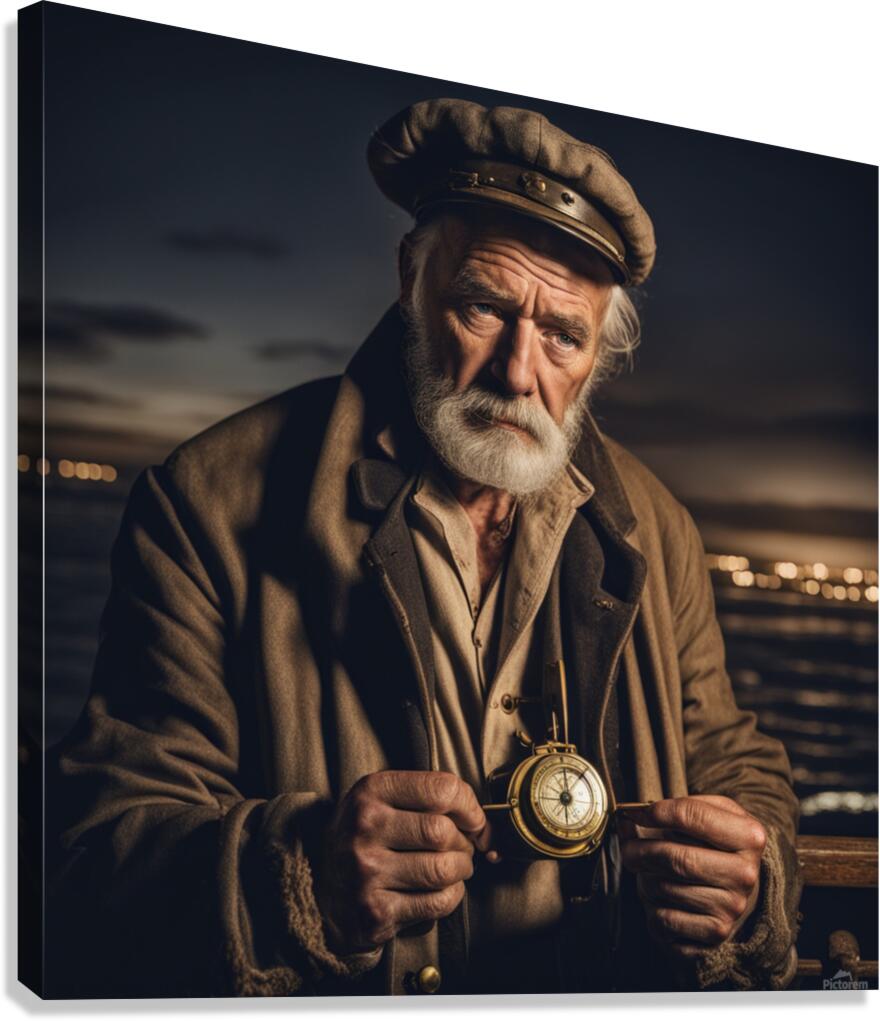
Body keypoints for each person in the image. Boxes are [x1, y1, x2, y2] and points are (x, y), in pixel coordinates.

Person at [51, 98, 801, 998]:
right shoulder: (207, 501)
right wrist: (305, 875)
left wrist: (751, 878)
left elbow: (733, 759)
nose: (520, 372)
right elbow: (98, 849)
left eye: (564, 335)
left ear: (598, 353)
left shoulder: (657, 526)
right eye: (484, 306)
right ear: (412, 277)